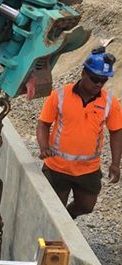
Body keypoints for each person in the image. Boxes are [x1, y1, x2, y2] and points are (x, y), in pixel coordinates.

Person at [37, 46, 122, 219]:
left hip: (87, 170)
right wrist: (44, 146)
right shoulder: (60, 95)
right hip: (57, 167)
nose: (98, 84)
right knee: (54, 212)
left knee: (86, 206)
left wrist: (115, 163)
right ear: (84, 73)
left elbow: (116, 132)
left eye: (103, 80)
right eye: (95, 79)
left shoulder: (109, 102)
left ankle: (69, 217)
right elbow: (43, 124)